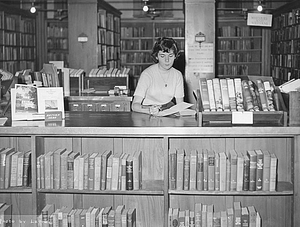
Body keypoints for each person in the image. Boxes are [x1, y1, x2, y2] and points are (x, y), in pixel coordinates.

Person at [131, 37, 184, 116]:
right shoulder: (147, 74)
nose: (167, 60)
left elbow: (180, 105)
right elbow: (134, 105)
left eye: (170, 56)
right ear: (156, 56)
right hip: (146, 113)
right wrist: (149, 110)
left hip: (167, 112)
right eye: (162, 56)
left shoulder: (177, 75)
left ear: (175, 56)